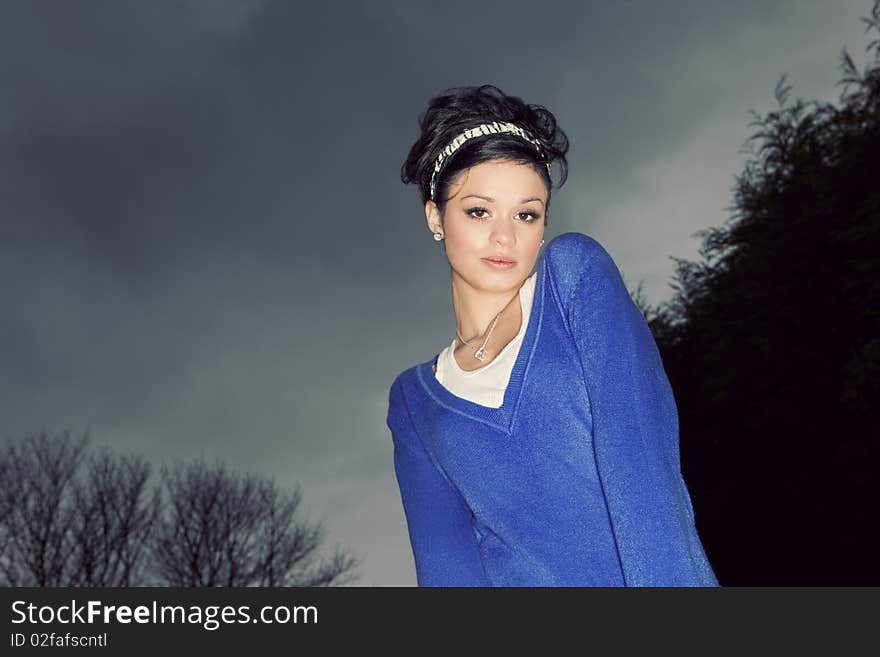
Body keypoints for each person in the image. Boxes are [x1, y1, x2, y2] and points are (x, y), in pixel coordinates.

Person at [388, 84, 719, 587]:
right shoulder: (414, 402)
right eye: (478, 210)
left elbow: (646, 478)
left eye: (527, 213)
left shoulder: (574, 279)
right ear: (436, 216)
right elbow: (447, 574)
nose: (506, 236)